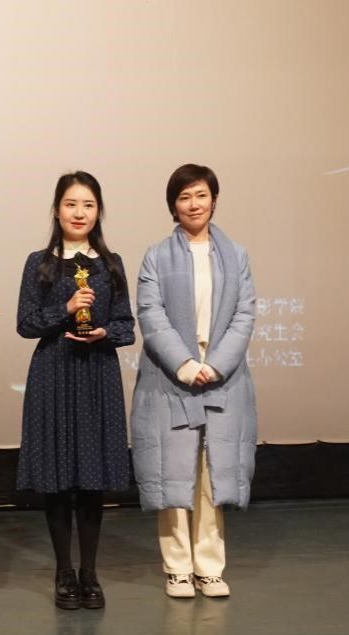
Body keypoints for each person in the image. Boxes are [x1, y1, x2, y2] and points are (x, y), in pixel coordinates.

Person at [130, 163, 258, 599]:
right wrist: (185, 364)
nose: (193, 204)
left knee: (211, 474)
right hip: (171, 378)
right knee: (173, 473)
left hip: (222, 378)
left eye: (200, 195)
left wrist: (215, 365)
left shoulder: (236, 255)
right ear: (173, 205)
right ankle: (177, 568)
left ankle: (209, 566)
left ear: (214, 200)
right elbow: (151, 314)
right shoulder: (156, 256)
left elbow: (244, 314)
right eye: (184, 197)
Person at [15, 171, 135, 609]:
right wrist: (65, 309)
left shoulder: (111, 263)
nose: (79, 213)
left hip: (97, 373)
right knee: (57, 479)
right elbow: (26, 323)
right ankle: (64, 571)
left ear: (98, 211)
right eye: (71, 204)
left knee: (91, 481)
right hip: (53, 372)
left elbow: (126, 326)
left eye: (88, 205)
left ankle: (91, 574)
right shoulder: (40, 262)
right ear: (56, 210)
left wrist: (104, 332)